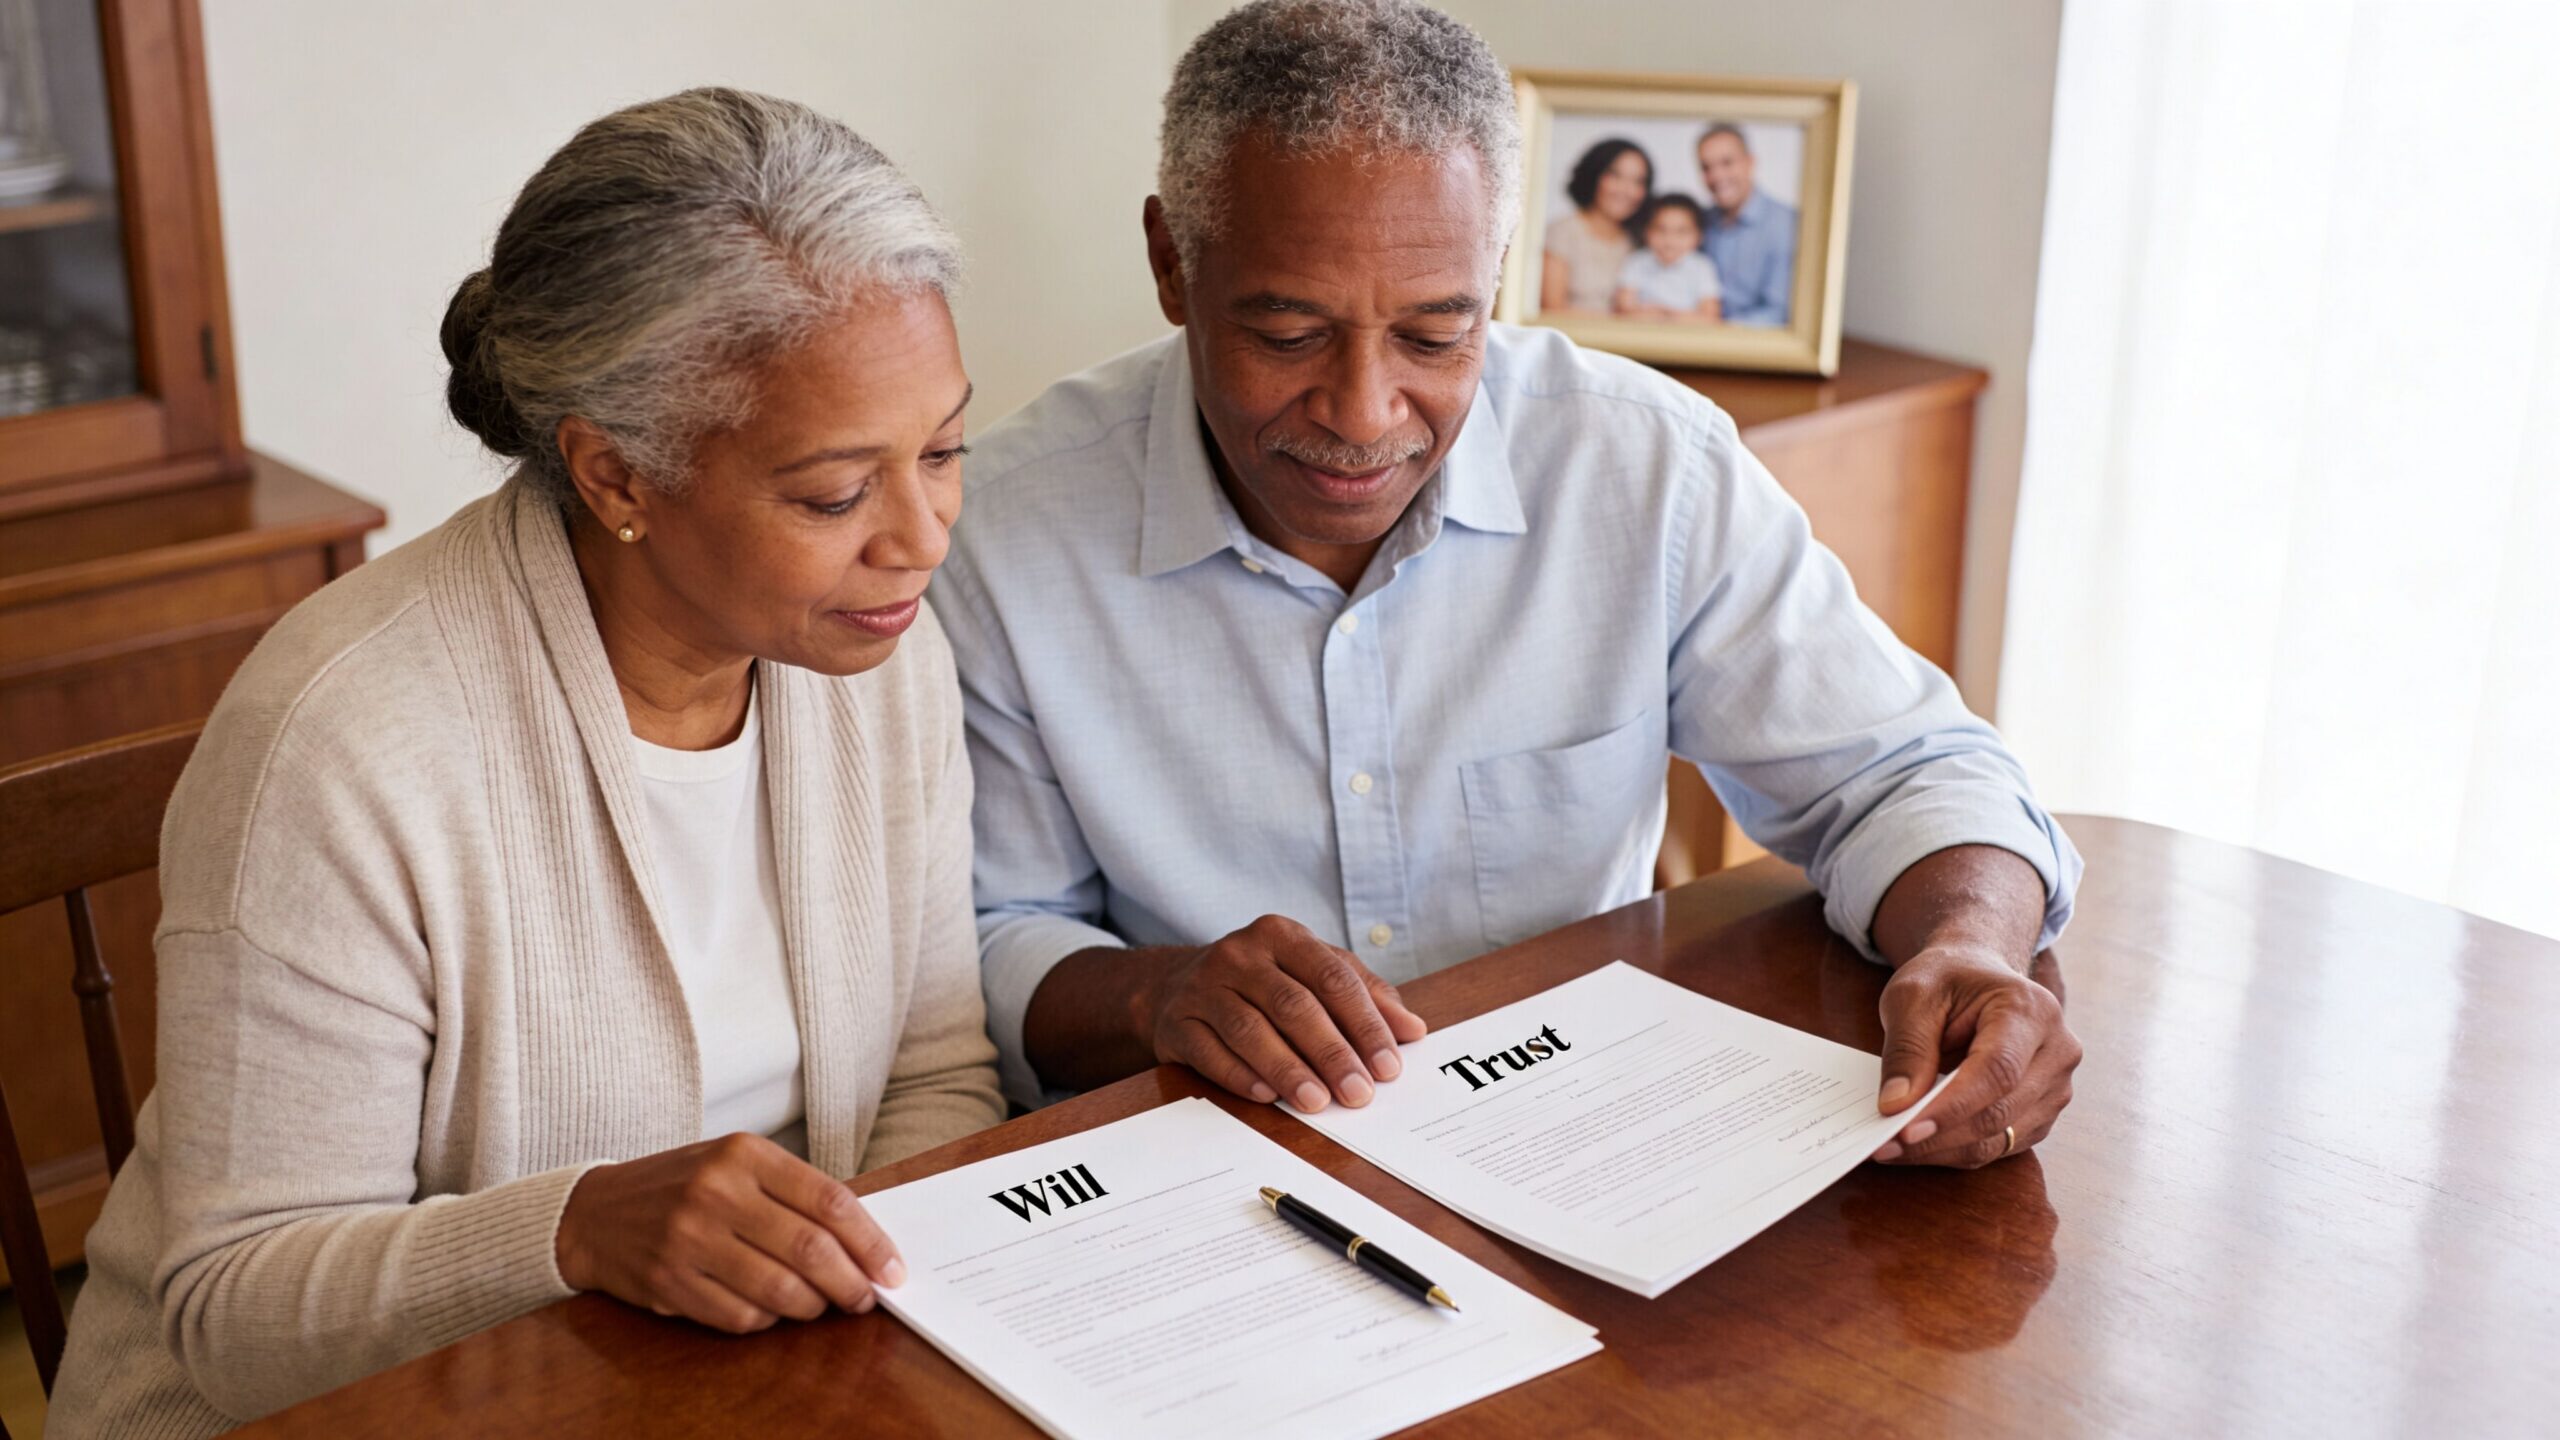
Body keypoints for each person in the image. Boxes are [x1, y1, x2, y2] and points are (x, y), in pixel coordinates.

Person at [938, 0, 2082, 1170]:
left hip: (1582, 1155)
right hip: (1211, 1176)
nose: (1364, 414)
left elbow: (1909, 773)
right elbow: (986, 938)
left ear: (1498, 272)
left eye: (1437, 336)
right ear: (1171, 264)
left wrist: (1972, 947)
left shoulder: (1645, 467)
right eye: (1286, 333)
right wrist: (1156, 996)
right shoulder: (1006, 532)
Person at [46, 88, 1003, 1436]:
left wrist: (860, 1309)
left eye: (947, 449)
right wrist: (574, 1232)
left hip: (735, 1384)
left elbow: (932, 1073)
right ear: (615, 478)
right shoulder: (346, 744)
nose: (922, 535)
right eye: (835, 494)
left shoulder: (874, 650)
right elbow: (238, 1313)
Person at [1696, 121, 1798, 325]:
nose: (1716, 176)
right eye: (1707, 167)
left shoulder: (1787, 225)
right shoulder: (1700, 221)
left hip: (1756, 349)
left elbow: (1779, 313)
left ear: (1750, 162)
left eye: (1727, 163)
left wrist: (1718, 332)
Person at [1539, 136, 1650, 313]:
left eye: (1637, 181)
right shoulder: (1563, 232)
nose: (1626, 190)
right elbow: (1552, 309)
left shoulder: (1639, 240)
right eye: (1615, 176)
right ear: (1594, 176)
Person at [1612, 192, 1722, 321]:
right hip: (1642, 333)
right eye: (1661, 230)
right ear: (1647, 232)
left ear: (1698, 237)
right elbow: (1623, 309)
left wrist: (1669, 316)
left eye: (1681, 232)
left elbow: (1711, 316)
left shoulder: (1702, 267)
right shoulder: (1637, 261)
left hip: (1687, 336)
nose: (1669, 241)